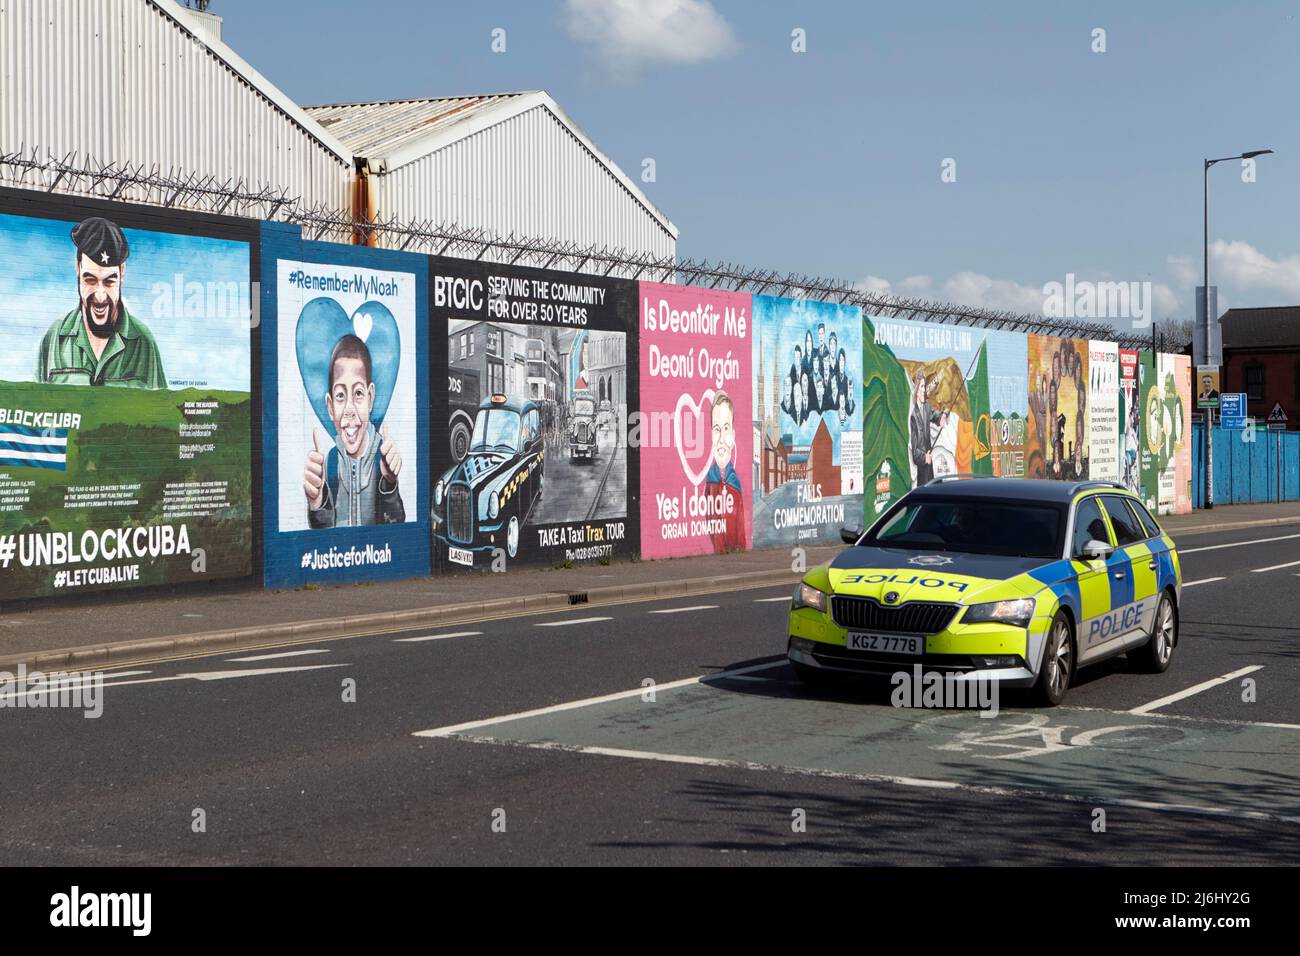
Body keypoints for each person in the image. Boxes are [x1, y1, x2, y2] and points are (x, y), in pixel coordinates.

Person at [36, 217, 166, 388]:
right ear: (78, 267)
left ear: (122, 272)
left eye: (109, 282)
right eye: (90, 280)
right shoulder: (54, 338)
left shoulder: (143, 341)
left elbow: (161, 409)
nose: (100, 297)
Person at [304, 334, 405, 528]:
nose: (349, 409)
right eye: (341, 395)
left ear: (370, 398)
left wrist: (389, 485)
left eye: (358, 393)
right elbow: (324, 539)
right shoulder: (330, 463)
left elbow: (396, 528)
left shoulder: (382, 459)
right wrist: (318, 504)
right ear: (331, 407)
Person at [705, 390, 745, 553]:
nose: (721, 438)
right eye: (716, 429)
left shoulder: (735, 485)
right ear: (711, 435)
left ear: (733, 435)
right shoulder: (709, 483)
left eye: (726, 428)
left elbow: (741, 536)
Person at [910, 370, 948, 486]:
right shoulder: (913, 417)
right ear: (916, 389)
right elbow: (915, 451)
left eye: (924, 386)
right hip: (922, 470)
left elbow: (935, 415)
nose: (923, 390)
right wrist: (924, 457)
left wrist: (942, 417)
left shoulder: (926, 407)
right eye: (921, 386)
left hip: (929, 467)